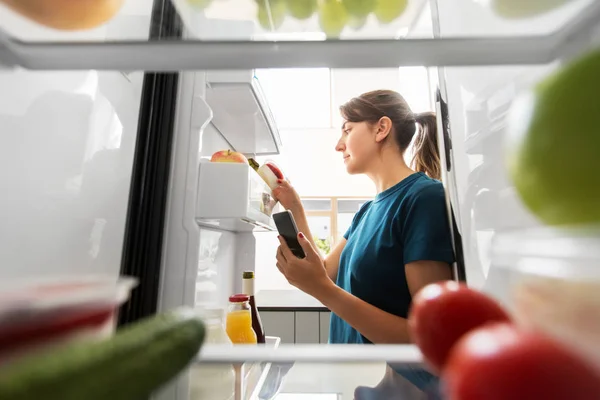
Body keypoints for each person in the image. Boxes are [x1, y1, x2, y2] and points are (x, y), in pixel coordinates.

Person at [272, 89, 455, 393]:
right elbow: (328, 271)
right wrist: (295, 207)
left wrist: (321, 290)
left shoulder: (423, 198)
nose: (338, 145)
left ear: (382, 128)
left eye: (347, 130)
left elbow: (429, 337)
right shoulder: (367, 211)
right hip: (354, 385)